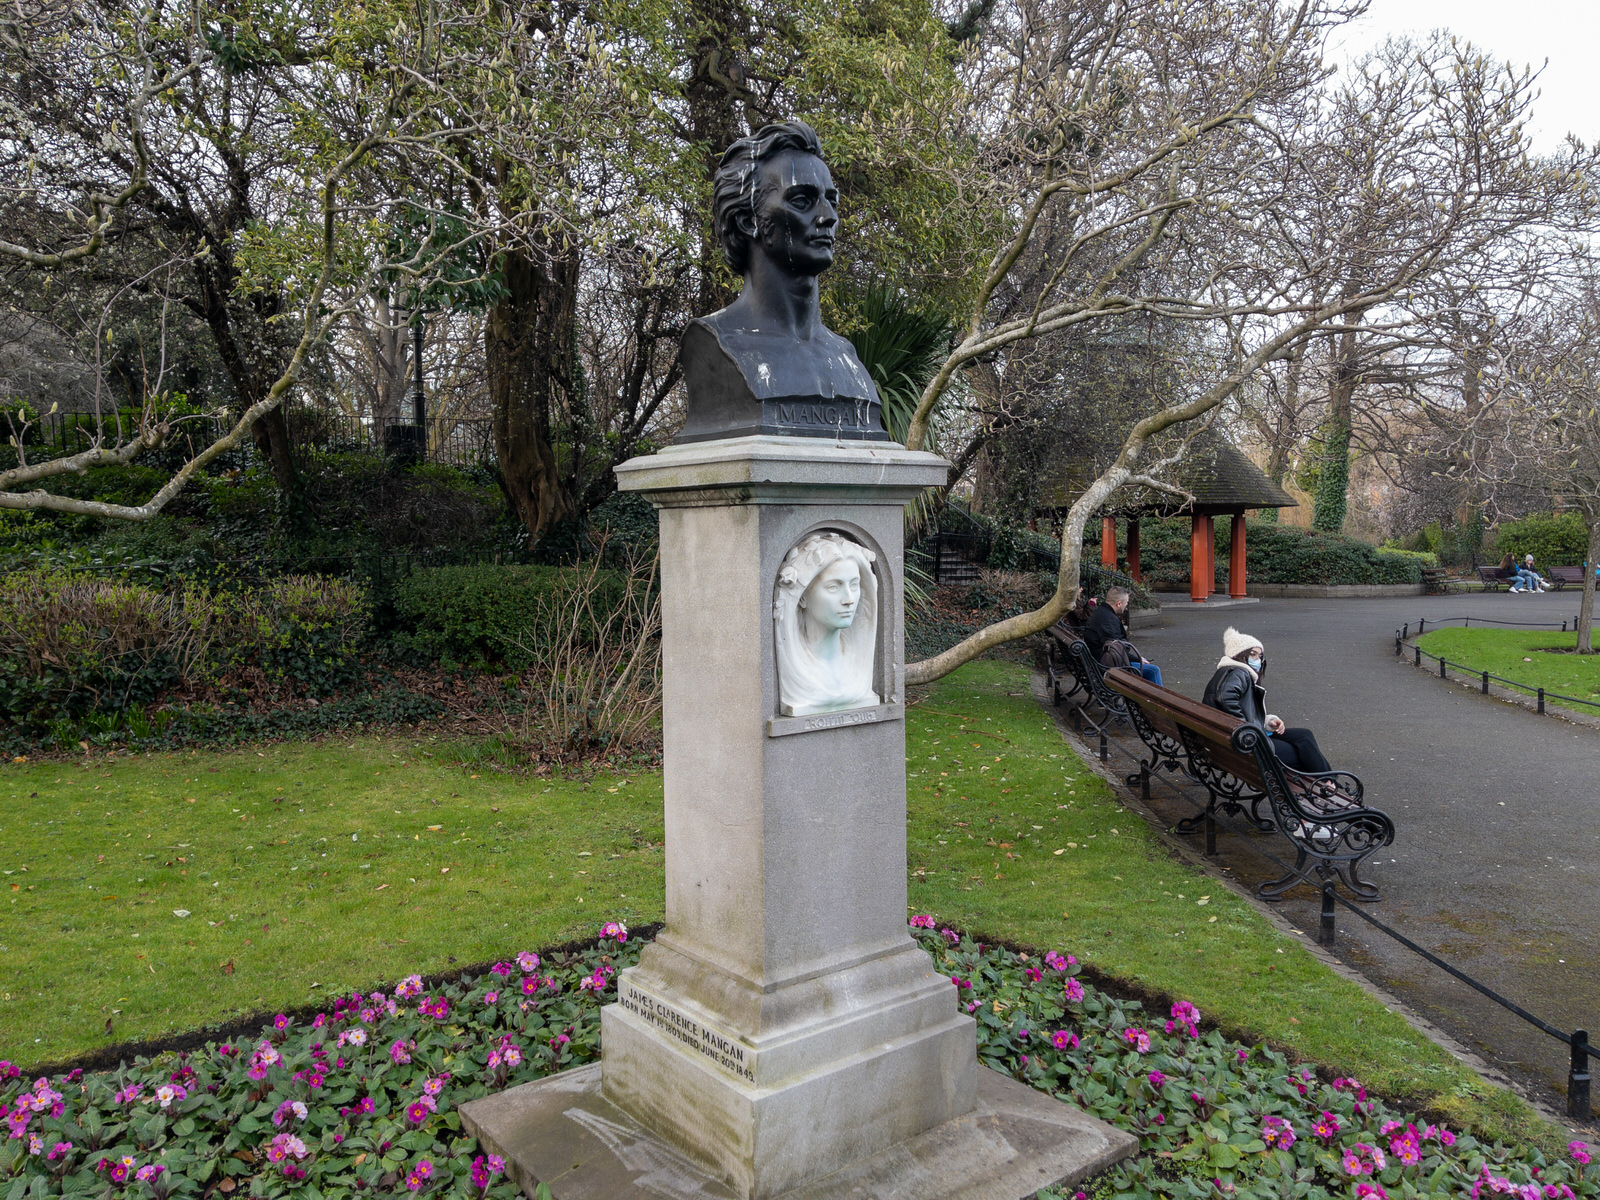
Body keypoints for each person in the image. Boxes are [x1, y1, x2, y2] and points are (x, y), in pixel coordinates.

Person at [1202, 628, 1333, 775]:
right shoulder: (1238, 673)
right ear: (1239, 654)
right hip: (1245, 743)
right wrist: (1246, 729)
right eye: (1252, 654)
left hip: (1234, 737)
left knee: (1304, 736)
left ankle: (1328, 780)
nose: (1257, 660)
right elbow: (1225, 698)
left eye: (1259, 656)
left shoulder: (1231, 672)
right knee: (1301, 752)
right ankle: (1327, 783)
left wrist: (1266, 722)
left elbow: (1239, 707)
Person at [1083, 586, 1162, 686]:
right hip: (1108, 666)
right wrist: (1137, 659)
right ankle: (1159, 700)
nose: (1127, 606)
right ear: (1119, 603)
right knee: (1153, 670)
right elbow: (1116, 650)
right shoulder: (1108, 620)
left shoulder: (1101, 613)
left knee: (1147, 667)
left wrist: (1138, 658)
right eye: (1126, 603)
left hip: (1099, 661)